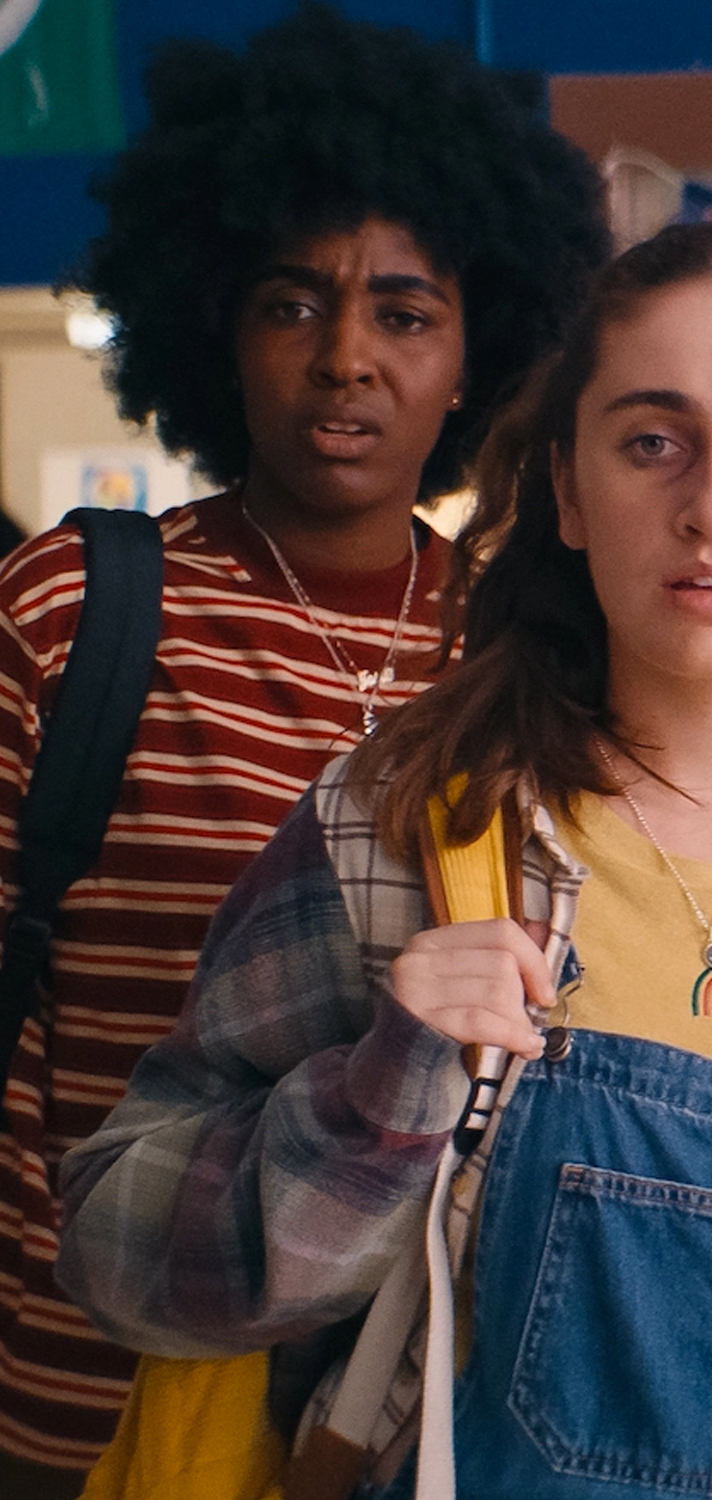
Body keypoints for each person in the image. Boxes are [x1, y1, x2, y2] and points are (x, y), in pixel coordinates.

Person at [55, 220, 712, 1499]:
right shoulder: (398, 836)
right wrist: (372, 1102)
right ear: (567, 490)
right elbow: (117, 1255)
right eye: (652, 443)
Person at [0, 10, 607, 1494]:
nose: (346, 359)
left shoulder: (533, 657)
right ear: (216, 324)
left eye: (404, 313)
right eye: (293, 303)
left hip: (409, 1415)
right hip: (83, 1390)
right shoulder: (77, 613)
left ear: (475, 355)